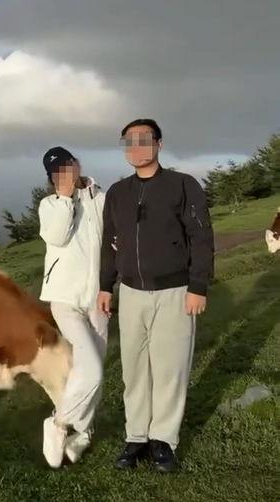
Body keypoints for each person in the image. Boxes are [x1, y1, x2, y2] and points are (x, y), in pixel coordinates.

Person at [97, 119, 214, 472]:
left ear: (159, 144)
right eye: (129, 141)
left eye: (143, 139)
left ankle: (163, 439)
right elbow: (109, 243)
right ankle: (136, 437)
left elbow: (201, 238)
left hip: (175, 292)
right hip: (131, 292)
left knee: (169, 368)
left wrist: (198, 286)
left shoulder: (183, 185)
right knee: (133, 370)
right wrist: (105, 285)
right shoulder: (117, 193)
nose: (136, 147)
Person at [39, 146, 109, 468]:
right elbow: (57, 237)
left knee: (92, 370)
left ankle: (83, 435)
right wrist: (66, 198)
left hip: (98, 298)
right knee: (91, 367)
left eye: (67, 165)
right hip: (65, 299)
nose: (64, 174)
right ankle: (59, 423)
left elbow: (113, 237)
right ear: (52, 178)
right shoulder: (50, 205)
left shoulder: (100, 197)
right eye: (57, 172)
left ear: (77, 164)